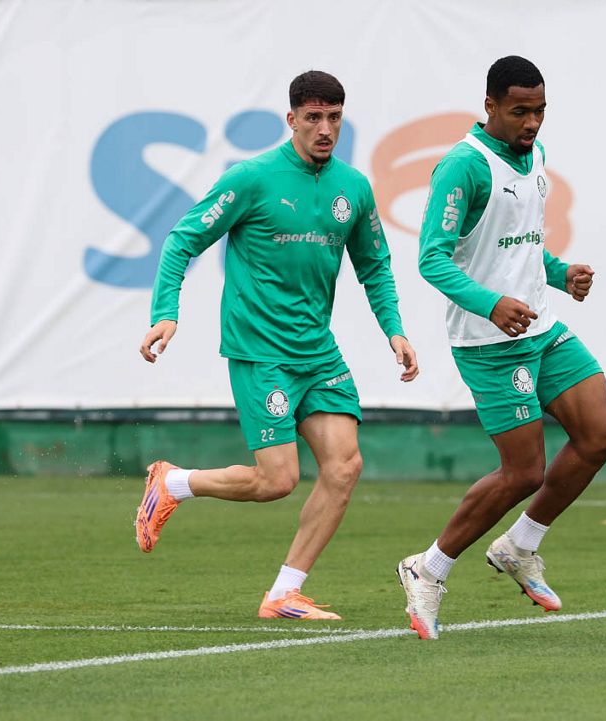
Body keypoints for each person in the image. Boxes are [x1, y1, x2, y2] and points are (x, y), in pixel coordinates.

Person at [135, 70, 418, 620]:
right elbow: (181, 241)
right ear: (291, 120)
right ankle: (172, 483)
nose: (325, 129)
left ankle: (284, 593)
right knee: (277, 480)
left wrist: (395, 329)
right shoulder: (252, 178)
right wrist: (166, 313)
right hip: (261, 351)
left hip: (318, 353)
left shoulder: (353, 187)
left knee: (344, 467)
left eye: (334, 117)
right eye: (313, 118)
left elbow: (375, 266)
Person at [396, 55, 606, 640]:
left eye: (540, 110)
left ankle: (519, 546)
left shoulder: (534, 155)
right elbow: (431, 258)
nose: (532, 122)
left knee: (600, 436)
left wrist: (560, 273)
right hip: (489, 341)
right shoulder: (463, 167)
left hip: (541, 327)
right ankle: (428, 568)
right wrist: (491, 303)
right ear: (490, 106)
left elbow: (519, 245)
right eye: (520, 111)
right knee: (523, 472)